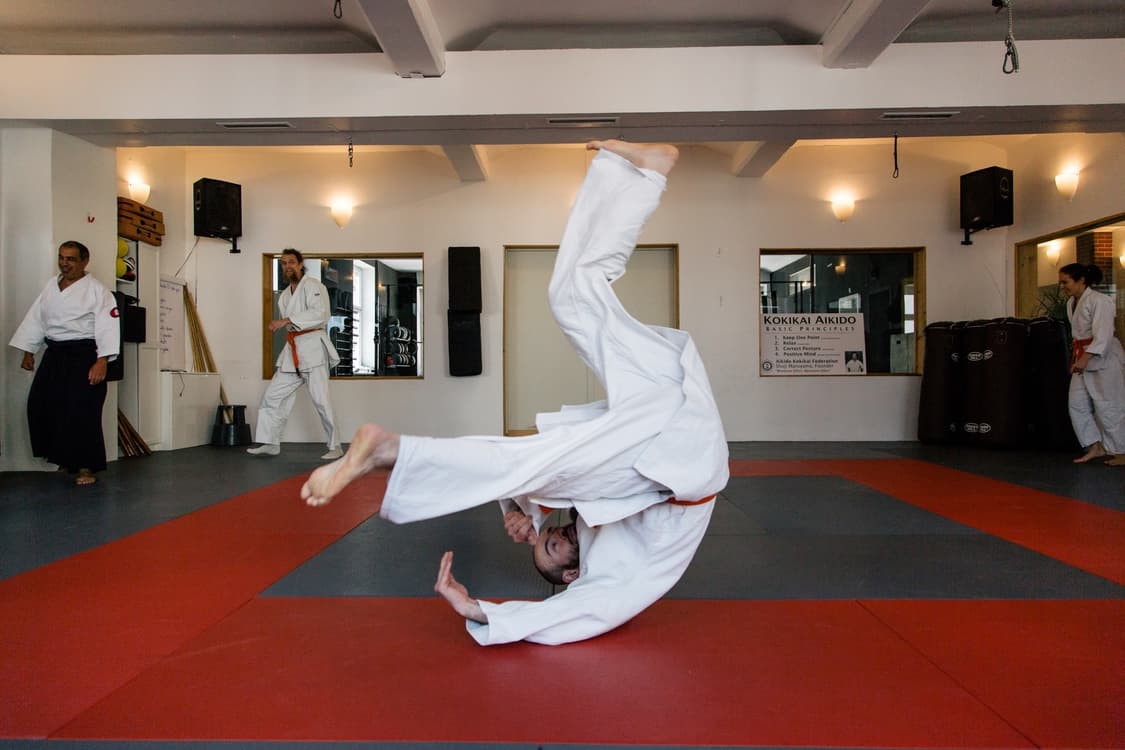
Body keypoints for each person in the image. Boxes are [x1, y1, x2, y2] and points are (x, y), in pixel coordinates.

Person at [301, 141, 729, 645]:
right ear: (572, 576)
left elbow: (535, 485)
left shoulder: (586, 506)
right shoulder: (615, 583)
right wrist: (482, 612)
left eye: (545, 539)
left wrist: (513, 511)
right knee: (540, 463)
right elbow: (575, 615)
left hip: (664, 406)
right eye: (555, 548)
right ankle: (391, 452)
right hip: (680, 460)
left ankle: (646, 176)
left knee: (570, 297)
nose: (555, 535)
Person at [9, 240, 120, 486]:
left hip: (84, 354)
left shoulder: (97, 291)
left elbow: (108, 326)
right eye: (61, 257)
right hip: (55, 352)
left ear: (84, 262)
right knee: (41, 404)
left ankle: (85, 467)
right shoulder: (51, 285)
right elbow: (37, 318)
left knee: (83, 411)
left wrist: (102, 361)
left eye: (70, 259)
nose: (64, 263)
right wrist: (29, 350)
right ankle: (64, 458)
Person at [247, 248, 343, 459]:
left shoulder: (314, 286)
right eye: (283, 263)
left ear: (300, 264)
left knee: (321, 401)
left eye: (291, 262)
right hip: (292, 351)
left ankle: (335, 446)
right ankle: (270, 442)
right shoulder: (284, 296)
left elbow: (320, 314)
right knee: (272, 396)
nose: (287, 266)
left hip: (313, 350)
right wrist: (287, 323)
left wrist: (286, 321)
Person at [1059, 262, 1125, 466]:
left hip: (1104, 358)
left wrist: (1083, 360)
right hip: (1082, 357)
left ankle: (1121, 451)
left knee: (1108, 405)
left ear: (1081, 280)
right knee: (1076, 404)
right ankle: (1095, 445)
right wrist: (1079, 359)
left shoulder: (1100, 301)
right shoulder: (1071, 302)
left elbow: (1103, 336)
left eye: (1065, 282)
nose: (1062, 286)